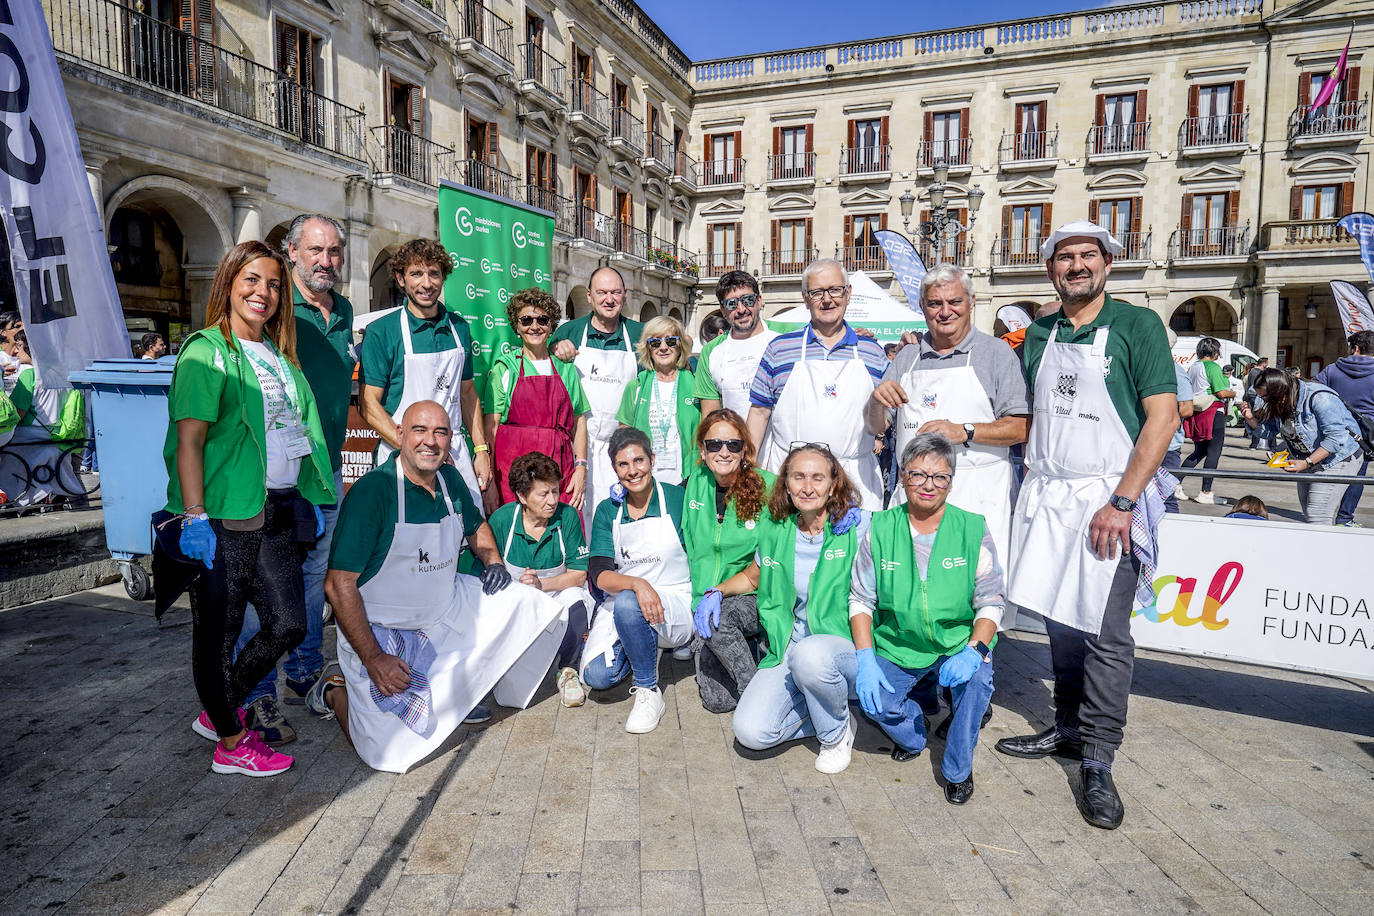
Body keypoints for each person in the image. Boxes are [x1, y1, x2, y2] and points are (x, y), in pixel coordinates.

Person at [998, 220, 1180, 830]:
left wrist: (1123, 502)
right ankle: (1069, 727)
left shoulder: (1137, 325)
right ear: (1050, 269)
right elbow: (1021, 413)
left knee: (1106, 634)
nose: (1075, 266)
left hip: (1108, 498)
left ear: (1107, 263)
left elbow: (1164, 417)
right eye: (1064, 258)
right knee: (1061, 622)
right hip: (1048, 496)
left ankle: (1098, 760)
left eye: (1087, 256)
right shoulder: (1040, 333)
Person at [311, 400, 562, 773]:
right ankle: (334, 688)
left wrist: (492, 561)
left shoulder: (450, 480)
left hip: (447, 613)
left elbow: (476, 527)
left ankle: (461, 693)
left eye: (441, 432)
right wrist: (374, 659)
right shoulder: (372, 493)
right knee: (385, 756)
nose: (430, 441)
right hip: (383, 632)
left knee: (531, 604)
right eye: (420, 430)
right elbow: (338, 585)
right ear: (399, 436)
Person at [165, 240, 336, 778]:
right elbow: (189, 439)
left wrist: (313, 490)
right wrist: (194, 515)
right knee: (219, 632)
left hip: (278, 510)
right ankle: (232, 740)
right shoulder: (206, 351)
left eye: (274, 284)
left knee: (288, 624)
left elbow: (295, 431)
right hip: (223, 515)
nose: (263, 292)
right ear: (229, 283)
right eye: (252, 280)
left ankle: (217, 707)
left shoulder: (278, 357)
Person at [228, 215, 357, 745]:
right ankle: (255, 693)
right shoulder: (276, 309)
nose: (326, 261)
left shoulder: (343, 309)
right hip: (275, 473)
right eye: (316, 250)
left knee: (311, 579)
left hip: (324, 468)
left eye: (334, 252)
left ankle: (305, 671)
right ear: (292, 252)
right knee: (269, 588)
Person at [849, 433, 1003, 803]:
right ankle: (915, 733)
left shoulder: (972, 528)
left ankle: (957, 769)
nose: (928, 485)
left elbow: (991, 602)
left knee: (978, 683)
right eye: (918, 475)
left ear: (951, 480)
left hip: (958, 642)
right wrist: (865, 658)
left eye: (939, 476)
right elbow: (861, 599)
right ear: (902, 476)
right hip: (900, 643)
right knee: (878, 702)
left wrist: (974, 649)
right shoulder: (881, 529)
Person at [711, 444, 866, 773]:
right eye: (799, 477)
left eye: (817, 478)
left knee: (811, 655)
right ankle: (825, 709)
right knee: (750, 733)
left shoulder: (857, 528)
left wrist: (863, 521)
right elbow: (753, 579)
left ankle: (835, 734)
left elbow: (902, 528)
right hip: (789, 646)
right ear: (786, 483)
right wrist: (718, 590)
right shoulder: (777, 530)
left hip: (845, 650)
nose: (808, 487)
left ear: (834, 483)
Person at [864, 264, 1029, 564]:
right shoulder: (907, 358)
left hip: (976, 496)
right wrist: (875, 402)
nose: (945, 311)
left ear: (971, 302)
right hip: (914, 500)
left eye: (954, 302)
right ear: (923, 308)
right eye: (935, 303)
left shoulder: (995, 353)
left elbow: (1021, 427)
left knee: (977, 591)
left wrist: (965, 431)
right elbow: (877, 425)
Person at [746, 259, 889, 509]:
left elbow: (884, 419)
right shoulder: (779, 349)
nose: (827, 299)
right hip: (793, 482)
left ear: (848, 293)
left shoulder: (872, 352)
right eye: (817, 292)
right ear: (805, 298)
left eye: (835, 289)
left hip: (856, 480)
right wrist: (749, 471)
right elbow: (759, 413)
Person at [359, 238, 490, 510]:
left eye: (434, 273)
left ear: (443, 278)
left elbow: (467, 393)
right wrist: (414, 450)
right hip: (401, 455)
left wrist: (481, 450)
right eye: (416, 274)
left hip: (454, 455)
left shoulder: (460, 328)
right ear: (400, 279)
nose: (426, 284)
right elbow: (369, 405)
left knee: (463, 537)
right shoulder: (382, 331)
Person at [580, 427, 693, 733]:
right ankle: (643, 646)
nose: (633, 471)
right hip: (627, 603)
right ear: (614, 468)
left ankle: (647, 689)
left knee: (630, 603)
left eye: (639, 460)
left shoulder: (678, 498)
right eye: (623, 464)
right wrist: (637, 584)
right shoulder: (608, 510)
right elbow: (600, 574)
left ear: (652, 459)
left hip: (675, 602)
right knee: (597, 678)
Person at [685, 409, 776, 712]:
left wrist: (848, 511)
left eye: (733, 445)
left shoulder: (768, 487)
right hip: (706, 602)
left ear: (745, 450)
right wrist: (622, 496)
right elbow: (655, 493)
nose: (723, 452)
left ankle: (756, 700)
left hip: (752, 595)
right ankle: (746, 648)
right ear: (702, 449)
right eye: (714, 445)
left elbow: (812, 493)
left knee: (719, 620)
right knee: (717, 701)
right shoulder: (696, 481)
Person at [486, 451, 593, 709]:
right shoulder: (502, 520)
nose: (552, 501)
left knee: (577, 600)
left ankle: (568, 670)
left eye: (555, 491)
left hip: (557, 598)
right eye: (543, 494)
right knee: (508, 696)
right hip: (516, 608)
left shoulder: (567, 517)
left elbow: (579, 575)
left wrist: (540, 585)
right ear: (522, 496)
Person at [551, 267, 643, 529]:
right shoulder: (569, 332)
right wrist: (554, 348)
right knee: (578, 520)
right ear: (589, 296)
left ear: (625, 295)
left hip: (624, 449)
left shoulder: (640, 335)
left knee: (620, 523)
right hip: (577, 448)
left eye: (615, 292)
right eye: (602, 292)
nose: (609, 299)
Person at [485, 287, 590, 509]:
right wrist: (491, 483)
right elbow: (491, 427)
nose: (535, 326)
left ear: (551, 325)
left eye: (542, 319)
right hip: (512, 472)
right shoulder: (505, 368)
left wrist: (581, 468)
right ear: (516, 326)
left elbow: (579, 423)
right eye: (526, 320)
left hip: (558, 470)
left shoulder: (566, 370)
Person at [1239, 367, 1364, 525]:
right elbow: (1268, 432)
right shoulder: (1281, 402)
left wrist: (1307, 462)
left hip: (1338, 459)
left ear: (1280, 392)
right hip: (1307, 460)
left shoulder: (1320, 398)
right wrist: (1250, 419)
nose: (1262, 401)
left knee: (1317, 514)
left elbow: (1336, 438)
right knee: (1309, 512)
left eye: (1265, 397)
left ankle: (1322, 548)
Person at [615, 316, 700, 486]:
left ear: (680, 345)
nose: (663, 348)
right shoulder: (636, 386)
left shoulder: (697, 385)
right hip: (645, 480)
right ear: (648, 348)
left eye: (670, 341)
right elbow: (623, 439)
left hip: (689, 479)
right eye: (655, 342)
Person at [694, 271, 779, 419]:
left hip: (781, 442)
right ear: (722, 309)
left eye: (747, 300)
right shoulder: (711, 351)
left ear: (759, 300)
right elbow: (710, 416)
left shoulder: (783, 338)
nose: (741, 309)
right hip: (734, 441)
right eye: (731, 304)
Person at [1316, 331, 1374, 526]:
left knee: (1328, 470)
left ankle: (1321, 514)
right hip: (1366, 435)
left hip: (1336, 429)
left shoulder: (1332, 370)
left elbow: (1315, 393)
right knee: (1357, 476)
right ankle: (1345, 518)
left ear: (1355, 348)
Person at [1180, 337, 1234, 505]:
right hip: (1212, 412)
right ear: (1214, 352)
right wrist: (1233, 393)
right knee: (1213, 452)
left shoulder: (1192, 367)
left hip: (1197, 412)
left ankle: (1175, 484)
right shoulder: (1212, 367)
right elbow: (1221, 393)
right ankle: (1205, 492)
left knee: (1199, 451)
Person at [1162, 328, 1194, 513]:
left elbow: (1187, 408)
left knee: (1166, 497)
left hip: (1167, 446)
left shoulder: (1175, 371)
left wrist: (1158, 414)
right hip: (1143, 443)